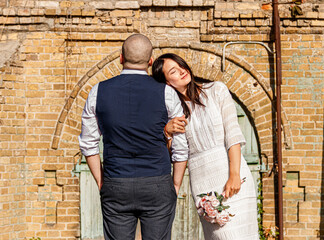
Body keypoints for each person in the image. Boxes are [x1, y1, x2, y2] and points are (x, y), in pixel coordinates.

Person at [78, 35, 188, 240]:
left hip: (116, 182)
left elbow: (88, 144)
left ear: (120, 58)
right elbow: (181, 145)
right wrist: (175, 185)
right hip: (158, 183)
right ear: (150, 62)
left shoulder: (97, 91)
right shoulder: (166, 92)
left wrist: (102, 182)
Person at [152, 53, 259, 240]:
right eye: (173, 71)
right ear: (167, 83)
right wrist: (167, 132)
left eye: (181, 65)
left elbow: (233, 134)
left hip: (232, 173)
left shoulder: (217, 90)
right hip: (202, 182)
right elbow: (175, 154)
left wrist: (234, 174)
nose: (182, 71)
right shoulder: (172, 111)